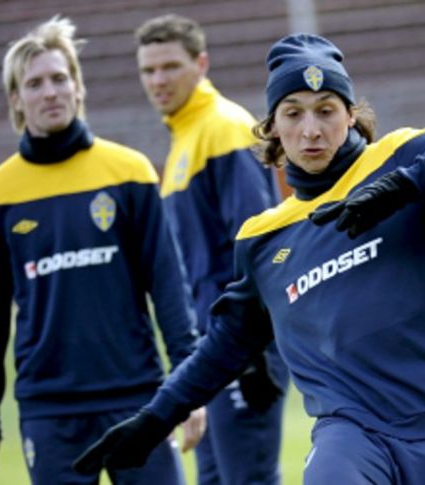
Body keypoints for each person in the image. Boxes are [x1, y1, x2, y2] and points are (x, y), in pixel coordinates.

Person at [73, 33, 425, 484]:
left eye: (327, 110)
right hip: (350, 429)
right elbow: (225, 345)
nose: (311, 129)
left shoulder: (400, 156)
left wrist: (406, 185)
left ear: (350, 115)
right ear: (272, 127)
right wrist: (155, 419)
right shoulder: (263, 237)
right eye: (293, 113)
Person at [0, 16, 206, 484]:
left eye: (59, 78)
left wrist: (187, 387)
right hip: (49, 411)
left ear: (77, 87)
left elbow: (167, 286)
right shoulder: (0, 193)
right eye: (34, 83)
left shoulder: (128, 172)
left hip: (138, 401)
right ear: (16, 100)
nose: (50, 91)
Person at [132, 14, 289, 485]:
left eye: (170, 66)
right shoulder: (185, 137)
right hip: (210, 349)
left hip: (241, 348)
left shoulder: (224, 128)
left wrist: (255, 352)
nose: (158, 80)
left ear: (201, 63)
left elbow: (257, 241)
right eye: (148, 70)